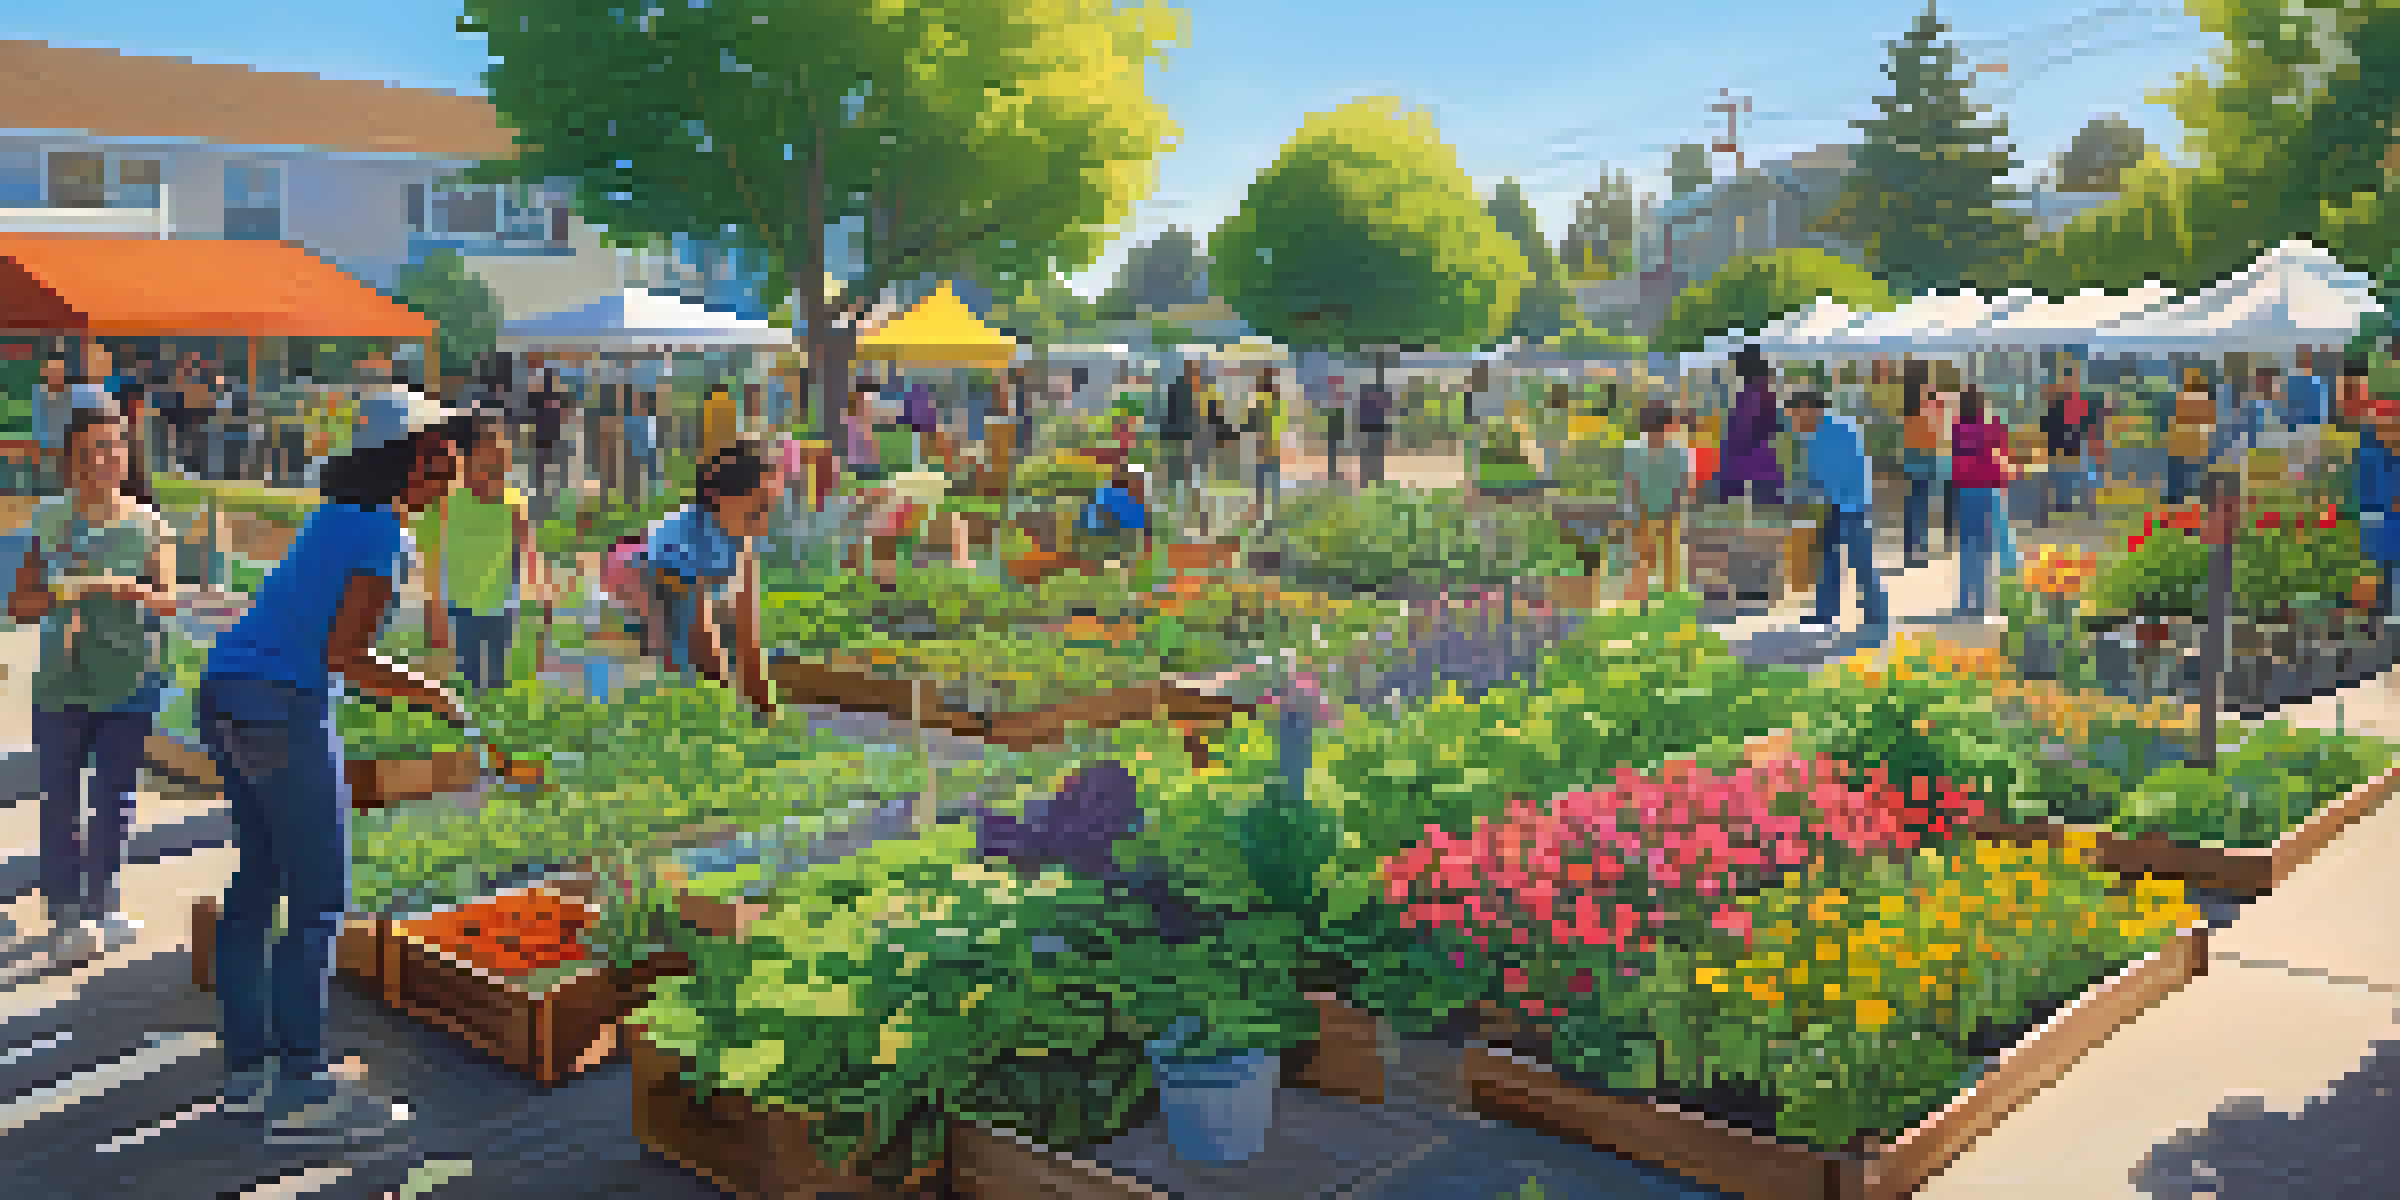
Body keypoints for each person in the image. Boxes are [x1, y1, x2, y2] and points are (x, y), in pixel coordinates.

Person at [200, 383, 475, 1144]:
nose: (448, 465)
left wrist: (387, 685)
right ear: (403, 461)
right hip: (280, 707)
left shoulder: (337, 519)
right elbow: (345, 654)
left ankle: (248, 1077)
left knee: (258, 885)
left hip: (226, 694)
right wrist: (429, 694)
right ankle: (303, 1087)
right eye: (436, 452)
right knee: (320, 899)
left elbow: (325, 639)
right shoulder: (381, 535)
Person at [10, 402, 177, 963]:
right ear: (70, 459)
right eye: (91, 450)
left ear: (127, 456)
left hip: (132, 679)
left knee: (115, 800)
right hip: (61, 682)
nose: (104, 459)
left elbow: (170, 600)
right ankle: (63, 915)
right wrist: (66, 592)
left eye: (113, 447)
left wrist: (128, 590)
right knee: (60, 800)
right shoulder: (48, 519)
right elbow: (20, 603)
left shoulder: (151, 523)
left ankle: (102, 907)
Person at [630, 435, 785, 719]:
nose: (764, 525)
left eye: (769, 510)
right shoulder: (677, 540)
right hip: (627, 633)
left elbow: (747, 638)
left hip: (681, 628)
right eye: (757, 510)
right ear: (719, 498)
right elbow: (699, 638)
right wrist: (729, 713)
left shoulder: (739, 540)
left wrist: (766, 712)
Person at [419, 417, 541, 693]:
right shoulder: (444, 504)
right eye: (487, 470)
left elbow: (526, 547)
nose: (496, 478)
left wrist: (538, 589)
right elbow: (431, 561)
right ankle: (472, 707)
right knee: (468, 669)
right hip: (461, 604)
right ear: (463, 467)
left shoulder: (513, 502)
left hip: (503, 603)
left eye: (502, 471)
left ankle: (494, 706)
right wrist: (433, 610)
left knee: (498, 667)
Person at [1785, 390, 1888, 647]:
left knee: (1860, 561)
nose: (1794, 420)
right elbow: (1813, 474)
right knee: (1827, 560)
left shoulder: (1841, 430)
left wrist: (1812, 492)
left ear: (1811, 409)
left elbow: (1845, 470)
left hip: (1851, 504)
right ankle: (1825, 614)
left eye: (1796, 413)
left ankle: (1876, 617)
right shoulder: (1811, 436)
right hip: (1830, 504)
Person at [1951, 386, 2016, 622]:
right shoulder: (1990, 427)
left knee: (1968, 549)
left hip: (1965, 492)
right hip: (1987, 491)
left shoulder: (1958, 429)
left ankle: (1964, 601)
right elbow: (2002, 451)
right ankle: (1982, 602)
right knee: (1985, 549)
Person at [1623, 404, 1689, 611]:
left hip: (1646, 513)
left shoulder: (1633, 450)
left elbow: (1629, 484)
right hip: (1664, 513)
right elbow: (1682, 485)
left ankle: (1640, 603)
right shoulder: (1677, 453)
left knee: (1645, 560)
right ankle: (1663, 602)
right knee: (1665, 562)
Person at [1716, 346, 1785, 512]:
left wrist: (1725, 489)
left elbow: (1737, 442)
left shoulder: (1751, 397)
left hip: (1750, 475)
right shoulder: (1766, 394)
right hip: (1764, 472)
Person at [2040, 357, 2099, 523]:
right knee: (2062, 481)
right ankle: (2063, 508)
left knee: (2079, 478)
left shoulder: (2080, 401)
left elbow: (2089, 424)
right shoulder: (2055, 403)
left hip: (2075, 446)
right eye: (2068, 379)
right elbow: (2046, 425)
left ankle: (2083, 508)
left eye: (2072, 379)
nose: (2070, 383)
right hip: (2061, 448)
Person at [1899, 361, 1942, 569]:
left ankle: (1911, 550)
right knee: (1922, 506)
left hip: (1911, 456)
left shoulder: (1907, 399)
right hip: (1925, 455)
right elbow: (1934, 425)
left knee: (1912, 506)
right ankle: (1920, 550)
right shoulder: (1928, 398)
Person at [2165, 367, 2215, 506]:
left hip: (2182, 447)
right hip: (2192, 447)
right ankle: (2186, 504)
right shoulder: (2205, 401)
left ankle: (2177, 504)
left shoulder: (2185, 398)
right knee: (2189, 480)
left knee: (2180, 481)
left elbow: (2175, 422)